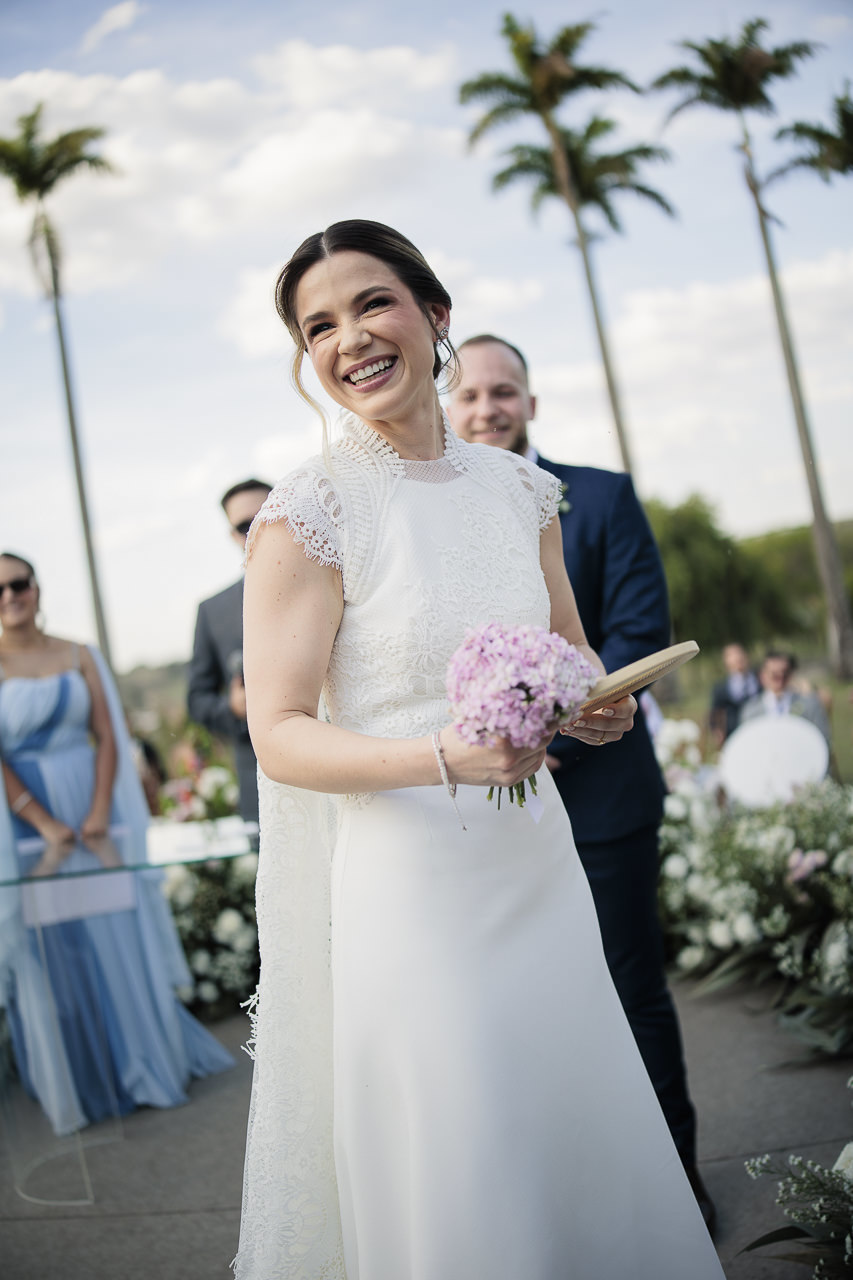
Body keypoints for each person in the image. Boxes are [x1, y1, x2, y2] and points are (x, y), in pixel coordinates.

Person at [233, 220, 723, 1280]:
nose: (348, 337)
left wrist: (596, 708)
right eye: (317, 325)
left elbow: (574, 654)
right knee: (465, 1139)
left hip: (532, 859)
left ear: (433, 314)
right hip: (409, 883)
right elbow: (278, 735)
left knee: (566, 1109)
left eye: (372, 303)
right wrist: (442, 759)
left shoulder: (522, 493)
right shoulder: (309, 512)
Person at [447, 333, 713, 1229]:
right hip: (471, 815)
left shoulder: (597, 497)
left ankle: (673, 1187)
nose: (487, 408)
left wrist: (546, 726)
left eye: (503, 391)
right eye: (470, 394)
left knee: (630, 989)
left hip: (601, 793)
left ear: (529, 401)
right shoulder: (428, 517)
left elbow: (637, 626)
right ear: (450, 405)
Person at [0, 553, 233, 1136]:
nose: (10, 595)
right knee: (55, 948)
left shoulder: (79, 654)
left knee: (112, 931)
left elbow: (108, 736)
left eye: (19, 582)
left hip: (93, 807)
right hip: (26, 822)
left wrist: (99, 808)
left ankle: (143, 1063)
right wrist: (42, 819)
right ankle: (82, 1079)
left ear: (36, 586)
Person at [187, 479, 272, 825]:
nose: (257, 529)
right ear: (233, 535)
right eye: (243, 524)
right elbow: (197, 700)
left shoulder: (341, 577)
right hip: (260, 778)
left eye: (266, 514)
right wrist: (233, 707)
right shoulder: (213, 611)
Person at [740, 649, 831, 743]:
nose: (780, 679)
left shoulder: (810, 705)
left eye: (785, 674)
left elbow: (822, 740)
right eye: (774, 675)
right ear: (763, 676)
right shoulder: (750, 711)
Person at [709, 642, 760, 746]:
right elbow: (715, 713)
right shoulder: (721, 687)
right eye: (731, 656)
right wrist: (717, 731)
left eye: (739, 654)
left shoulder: (760, 680)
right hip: (733, 735)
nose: (737, 659)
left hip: (757, 729)